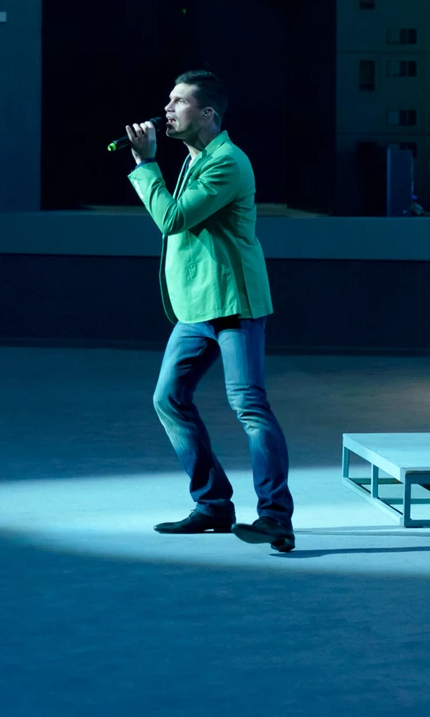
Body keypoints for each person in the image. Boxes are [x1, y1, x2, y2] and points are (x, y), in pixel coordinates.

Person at [124, 70, 294, 552]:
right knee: (169, 398)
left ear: (208, 114)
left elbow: (173, 219)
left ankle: (275, 517)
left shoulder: (228, 163)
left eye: (179, 102)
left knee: (249, 406)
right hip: (198, 306)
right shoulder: (195, 158)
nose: (167, 110)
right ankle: (214, 504)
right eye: (168, 100)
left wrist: (145, 164)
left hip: (234, 303)